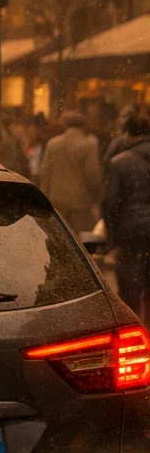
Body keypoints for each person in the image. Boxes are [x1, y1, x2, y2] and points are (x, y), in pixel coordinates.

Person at [103, 107, 150, 320]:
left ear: (128, 134)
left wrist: (112, 238)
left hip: (131, 230)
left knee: (129, 282)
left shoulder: (119, 162)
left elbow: (110, 203)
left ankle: (133, 323)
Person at [39, 111, 103, 236]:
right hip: (80, 202)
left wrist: (44, 199)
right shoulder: (88, 145)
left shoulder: (52, 144)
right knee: (79, 241)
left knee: (59, 238)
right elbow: (92, 175)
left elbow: (45, 173)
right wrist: (96, 197)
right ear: (83, 126)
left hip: (56, 200)